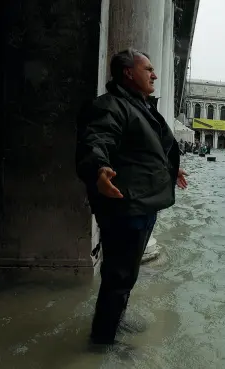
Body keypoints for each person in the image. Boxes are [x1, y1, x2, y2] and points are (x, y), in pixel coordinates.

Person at [75, 48, 188, 345]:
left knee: (125, 275)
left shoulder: (140, 106)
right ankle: (102, 344)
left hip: (141, 204)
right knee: (118, 277)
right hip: (126, 208)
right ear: (128, 72)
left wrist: (171, 171)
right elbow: (97, 139)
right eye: (147, 68)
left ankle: (115, 322)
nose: (154, 74)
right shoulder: (111, 106)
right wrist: (99, 169)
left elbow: (147, 151)